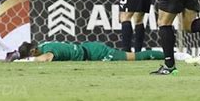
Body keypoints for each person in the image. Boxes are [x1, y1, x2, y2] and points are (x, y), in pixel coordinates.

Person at [15, 41, 176, 62]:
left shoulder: (48, 50)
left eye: (29, 55)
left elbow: (47, 59)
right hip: (89, 49)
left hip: (96, 52)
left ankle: (173, 55)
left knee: (133, 57)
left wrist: (26, 62)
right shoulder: (43, 46)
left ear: (34, 50)